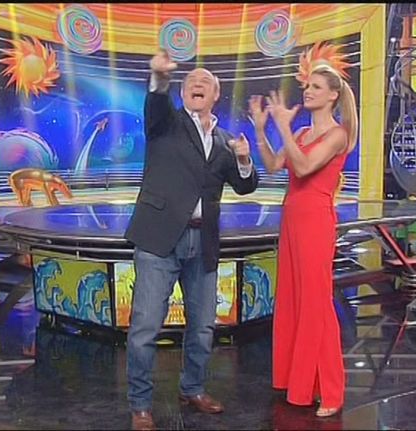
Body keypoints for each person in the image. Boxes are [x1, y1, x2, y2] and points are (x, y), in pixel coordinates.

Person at [124, 50, 259, 430]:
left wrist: (244, 159)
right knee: (145, 327)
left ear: (216, 94)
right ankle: (140, 405)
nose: (197, 84)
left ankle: (193, 388)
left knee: (202, 327)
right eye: (191, 81)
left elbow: (246, 186)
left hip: (204, 243)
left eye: (206, 82)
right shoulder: (165, 122)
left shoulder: (226, 140)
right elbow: (156, 100)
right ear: (183, 92)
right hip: (159, 239)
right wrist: (159, 76)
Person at [248, 41, 358, 417]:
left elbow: (306, 168)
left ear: (332, 95)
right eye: (307, 86)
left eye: (315, 87)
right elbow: (274, 165)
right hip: (291, 219)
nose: (307, 91)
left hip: (315, 222)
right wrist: (262, 131)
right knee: (294, 300)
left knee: (316, 303)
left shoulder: (338, 134)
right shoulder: (301, 134)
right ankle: (300, 384)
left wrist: (283, 126)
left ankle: (331, 391)